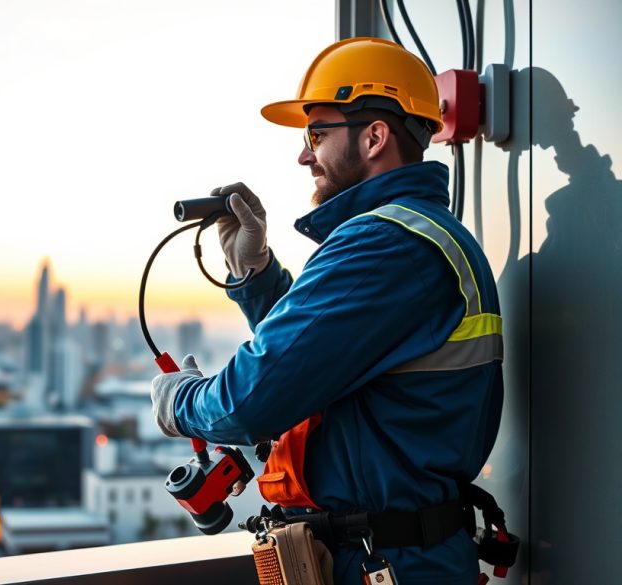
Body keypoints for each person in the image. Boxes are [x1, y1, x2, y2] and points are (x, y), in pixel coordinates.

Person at [150, 37, 504, 585]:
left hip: (389, 564)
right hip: (396, 557)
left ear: (374, 136)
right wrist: (257, 273)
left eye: (317, 133)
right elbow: (324, 360)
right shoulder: (413, 238)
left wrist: (181, 402)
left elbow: (252, 400)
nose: (303, 153)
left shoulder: (387, 244)